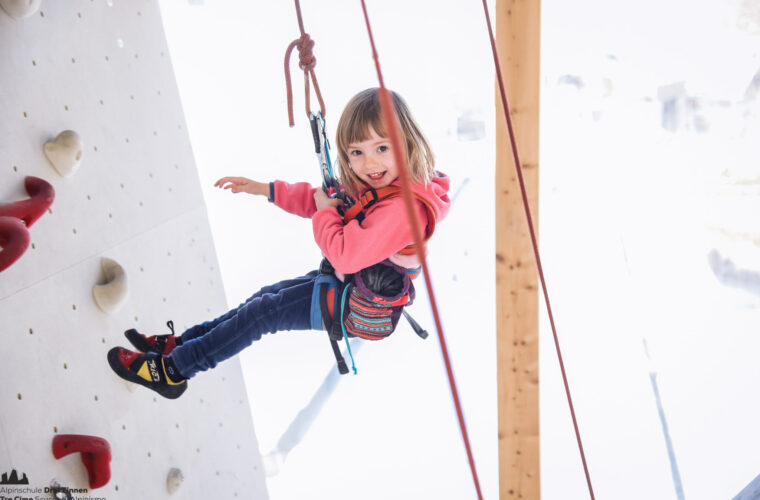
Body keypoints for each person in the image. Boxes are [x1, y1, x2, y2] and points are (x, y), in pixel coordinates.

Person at [106, 88, 451, 399]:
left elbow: (344, 253)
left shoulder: (405, 210)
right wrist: (266, 189)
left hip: (350, 303)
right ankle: (178, 347)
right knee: (263, 299)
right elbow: (326, 199)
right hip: (345, 285)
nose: (369, 163)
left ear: (406, 143)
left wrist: (325, 214)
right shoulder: (384, 184)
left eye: (381, 148)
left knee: (264, 313)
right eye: (357, 152)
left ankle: (174, 371)